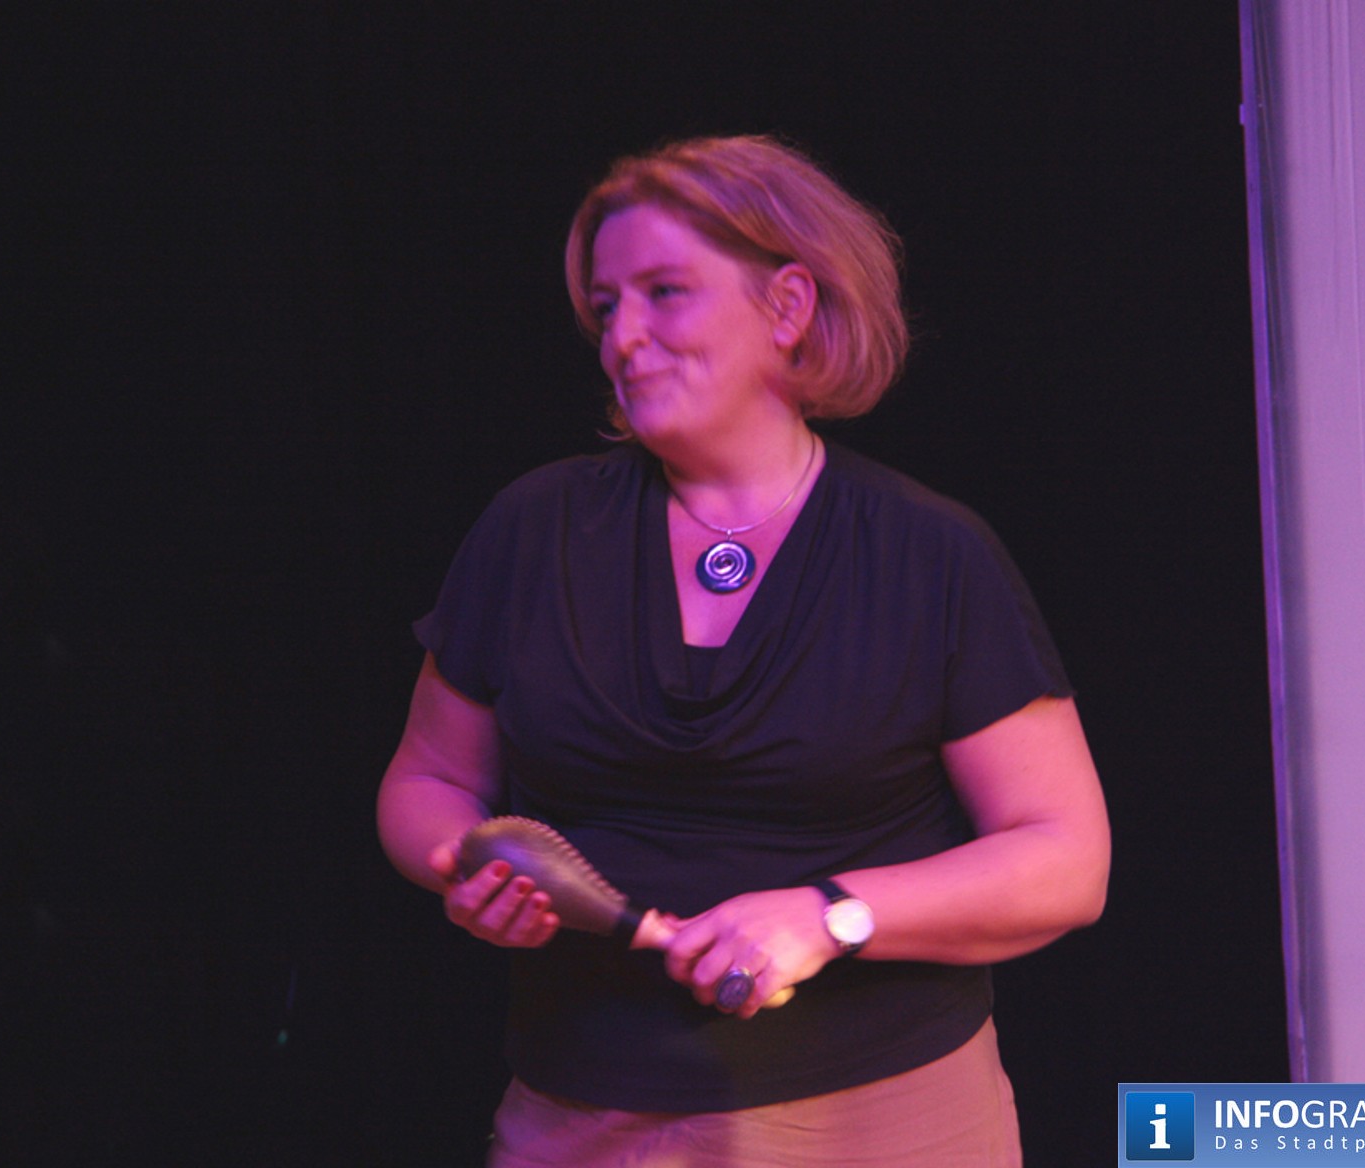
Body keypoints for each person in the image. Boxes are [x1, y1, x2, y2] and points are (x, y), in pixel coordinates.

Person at [376, 134, 1110, 1167]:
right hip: (580, 1114)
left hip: (881, 1119)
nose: (622, 337)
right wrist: (465, 862)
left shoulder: (930, 553)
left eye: (664, 293)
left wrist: (830, 915)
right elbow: (429, 780)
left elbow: (1065, 860)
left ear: (788, 307)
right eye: (604, 307)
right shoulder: (531, 530)